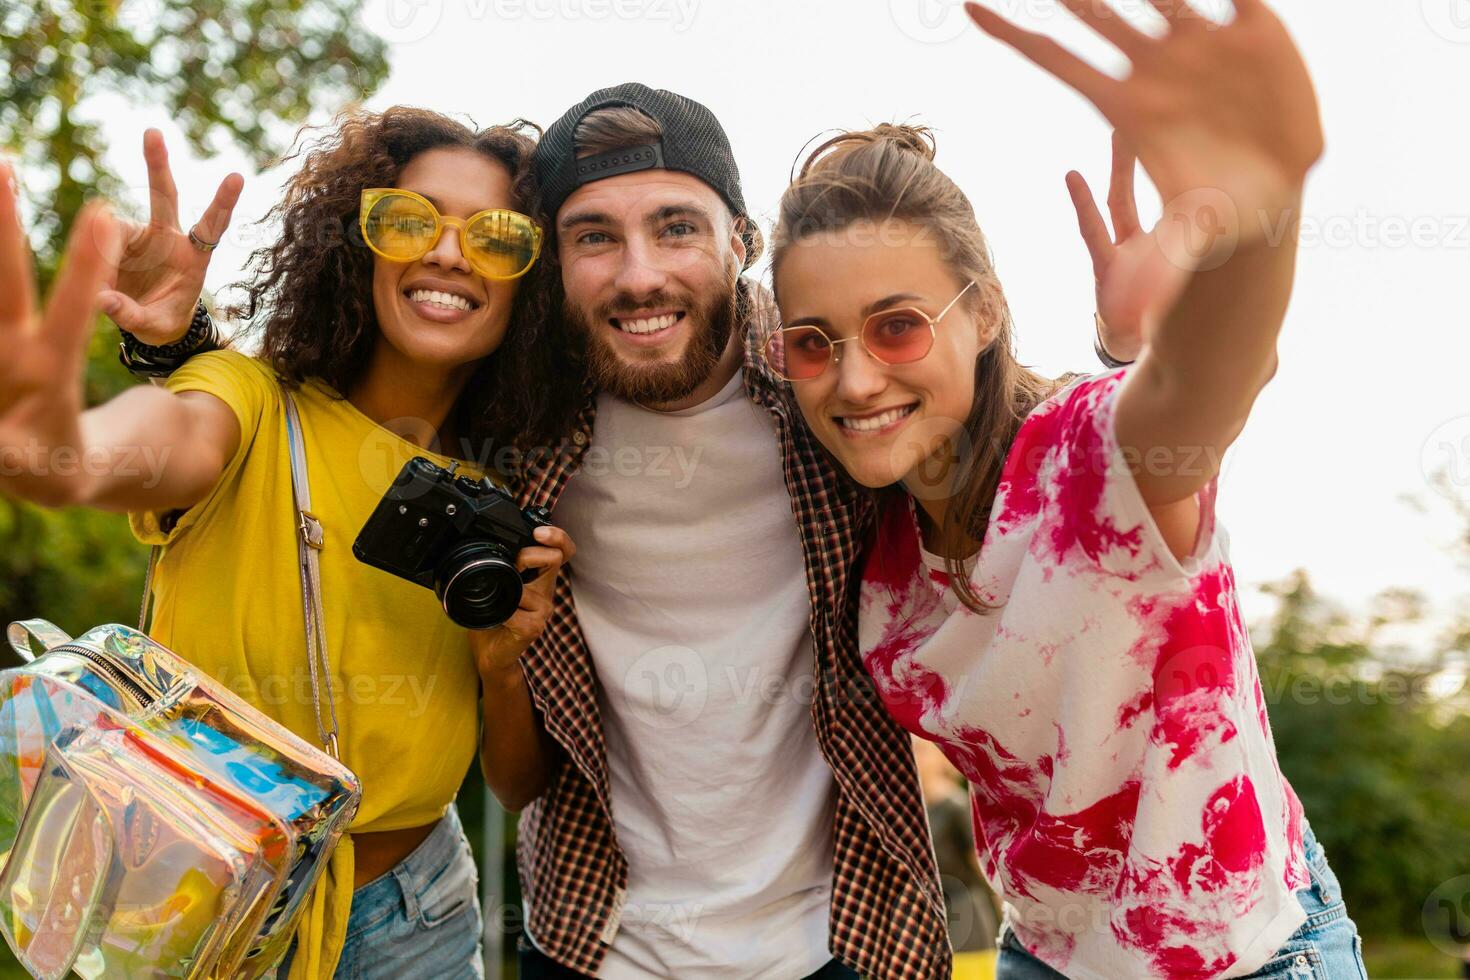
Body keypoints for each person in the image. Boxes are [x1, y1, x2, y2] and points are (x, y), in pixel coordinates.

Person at [115, 88, 1136, 979]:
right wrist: (174, 348)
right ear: (553, 268)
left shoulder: (835, 393)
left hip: (842, 939)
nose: (639, 272)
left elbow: (1010, 424)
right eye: (594, 235)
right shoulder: (514, 438)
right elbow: (328, 417)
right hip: (591, 940)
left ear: (741, 240)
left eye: (677, 227)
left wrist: (1138, 357)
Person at [766, 1, 1371, 977]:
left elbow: (1203, 389)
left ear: (986, 310)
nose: (855, 379)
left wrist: (1260, 215)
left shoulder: (1090, 460)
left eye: (897, 326)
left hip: (1247, 956)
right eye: (812, 342)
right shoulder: (867, 542)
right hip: (1044, 954)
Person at [0, 107, 576, 979]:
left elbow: (515, 786)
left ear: (534, 283)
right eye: (409, 220)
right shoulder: (254, 401)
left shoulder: (506, 499)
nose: (450, 255)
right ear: (358, 243)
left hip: (420, 918)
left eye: (498, 238)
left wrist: (502, 664)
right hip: (199, 897)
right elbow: (161, 441)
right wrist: (58, 456)